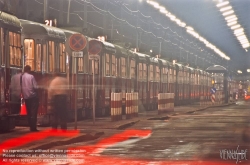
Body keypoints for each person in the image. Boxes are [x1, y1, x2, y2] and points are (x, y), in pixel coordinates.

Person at [21, 65, 39, 132]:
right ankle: (33, 128)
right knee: (33, 112)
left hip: (26, 97)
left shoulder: (21, 77)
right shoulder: (31, 76)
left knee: (29, 112)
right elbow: (35, 87)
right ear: (29, 70)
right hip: (33, 96)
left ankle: (30, 126)